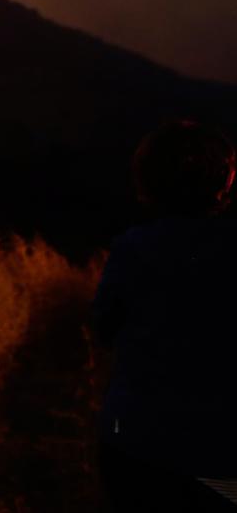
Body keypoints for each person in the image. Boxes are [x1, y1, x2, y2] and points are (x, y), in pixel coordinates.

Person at [93, 120, 237, 510]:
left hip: (135, 445)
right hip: (220, 453)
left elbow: (104, 330)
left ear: (146, 183)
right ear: (226, 182)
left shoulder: (133, 248)